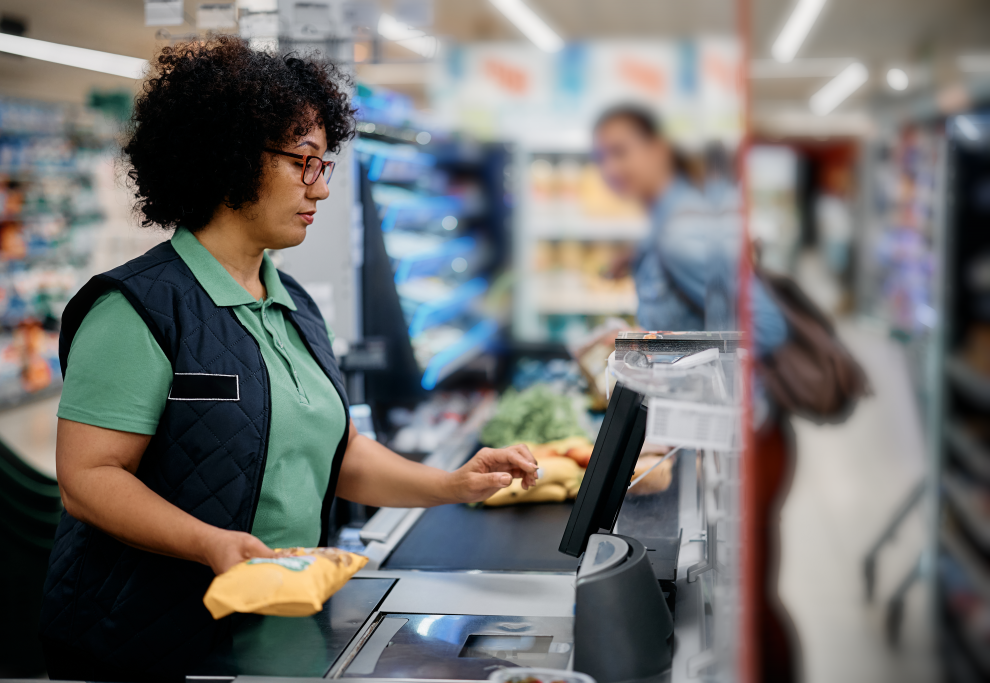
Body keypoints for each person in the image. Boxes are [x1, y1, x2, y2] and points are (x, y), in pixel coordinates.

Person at [39, 36, 538, 681]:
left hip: (269, 629)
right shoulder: (136, 309)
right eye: (303, 162)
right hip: (146, 641)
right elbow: (89, 479)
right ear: (231, 161)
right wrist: (209, 544)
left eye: (323, 164)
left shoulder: (292, 302)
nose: (320, 189)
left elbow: (336, 451)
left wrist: (449, 484)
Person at [592, 105, 801, 683]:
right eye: (602, 155)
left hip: (751, 438)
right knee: (740, 600)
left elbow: (767, 327)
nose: (610, 167)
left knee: (752, 609)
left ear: (659, 148)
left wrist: (659, 348)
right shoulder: (671, 221)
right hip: (731, 440)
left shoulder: (682, 226)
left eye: (621, 150)